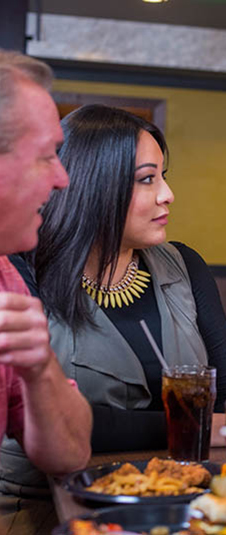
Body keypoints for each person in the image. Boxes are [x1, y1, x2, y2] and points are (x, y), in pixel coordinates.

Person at [1, 104, 226, 490]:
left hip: (174, 491)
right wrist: (199, 424)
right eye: (147, 179)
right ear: (94, 186)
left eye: (163, 176)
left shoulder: (185, 265)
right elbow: (69, 425)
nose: (168, 194)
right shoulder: (21, 271)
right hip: (44, 503)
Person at [0, 50, 92, 528]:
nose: (62, 179)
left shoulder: (7, 276)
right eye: (46, 156)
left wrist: (40, 370)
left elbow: (71, 454)